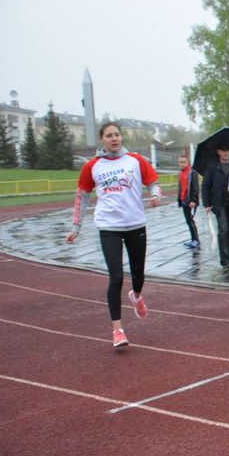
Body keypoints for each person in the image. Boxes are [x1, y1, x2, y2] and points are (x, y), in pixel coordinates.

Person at [65, 122, 161, 348]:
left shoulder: (135, 160)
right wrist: (75, 227)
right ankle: (117, 330)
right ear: (102, 139)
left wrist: (155, 195)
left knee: (138, 273)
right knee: (116, 277)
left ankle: (136, 296)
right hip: (109, 226)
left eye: (117, 134)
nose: (114, 139)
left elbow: (153, 183)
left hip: (135, 224)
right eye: (109, 136)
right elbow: (82, 196)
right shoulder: (93, 166)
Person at [201, 142, 229, 276]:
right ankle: (225, 260)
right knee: (223, 230)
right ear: (218, 152)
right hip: (219, 203)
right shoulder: (212, 167)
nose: (226, 153)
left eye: (228, 150)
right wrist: (206, 204)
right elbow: (205, 186)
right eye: (223, 150)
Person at [176, 154, 200, 249]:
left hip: (191, 202)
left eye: (184, 162)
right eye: (180, 162)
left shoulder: (192, 173)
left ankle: (196, 240)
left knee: (190, 220)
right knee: (188, 221)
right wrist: (179, 200)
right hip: (184, 201)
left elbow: (195, 187)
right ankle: (193, 239)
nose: (182, 164)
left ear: (188, 162)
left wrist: (194, 200)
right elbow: (180, 188)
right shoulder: (180, 174)